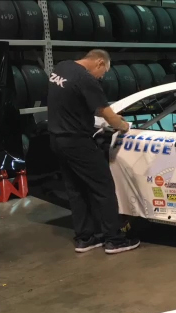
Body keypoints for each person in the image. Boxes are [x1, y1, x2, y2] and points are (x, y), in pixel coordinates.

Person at [48, 49, 140, 254]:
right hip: (77, 142)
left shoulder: (62, 67)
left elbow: (73, 101)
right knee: (104, 187)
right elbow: (107, 114)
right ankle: (114, 240)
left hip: (57, 139)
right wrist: (124, 126)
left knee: (76, 189)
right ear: (99, 63)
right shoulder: (86, 80)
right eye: (104, 72)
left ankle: (84, 238)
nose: (102, 76)